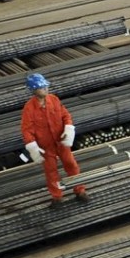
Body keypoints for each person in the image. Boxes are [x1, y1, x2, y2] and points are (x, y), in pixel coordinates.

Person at [20, 73, 89, 207]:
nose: (46, 89)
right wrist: (32, 146)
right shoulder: (29, 109)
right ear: (34, 90)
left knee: (71, 165)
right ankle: (57, 197)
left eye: (46, 86)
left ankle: (80, 190)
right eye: (42, 87)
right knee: (51, 171)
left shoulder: (54, 100)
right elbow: (26, 129)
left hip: (60, 142)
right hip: (46, 147)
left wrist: (68, 130)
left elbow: (65, 116)